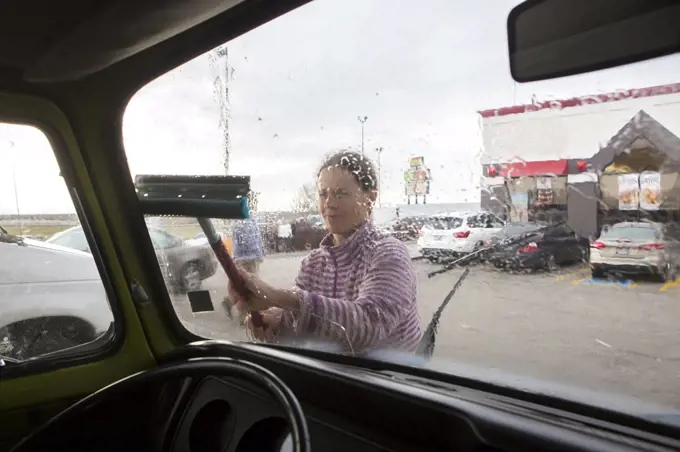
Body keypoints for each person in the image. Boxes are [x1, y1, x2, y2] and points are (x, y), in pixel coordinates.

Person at [227, 150, 423, 354]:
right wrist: (277, 321)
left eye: (341, 193)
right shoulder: (314, 263)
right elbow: (304, 320)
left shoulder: (388, 253)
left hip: (388, 380)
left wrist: (276, 297)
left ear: (370, 199)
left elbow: (369, 326)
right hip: (329, 373)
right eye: (323, 193)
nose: (329, 203)